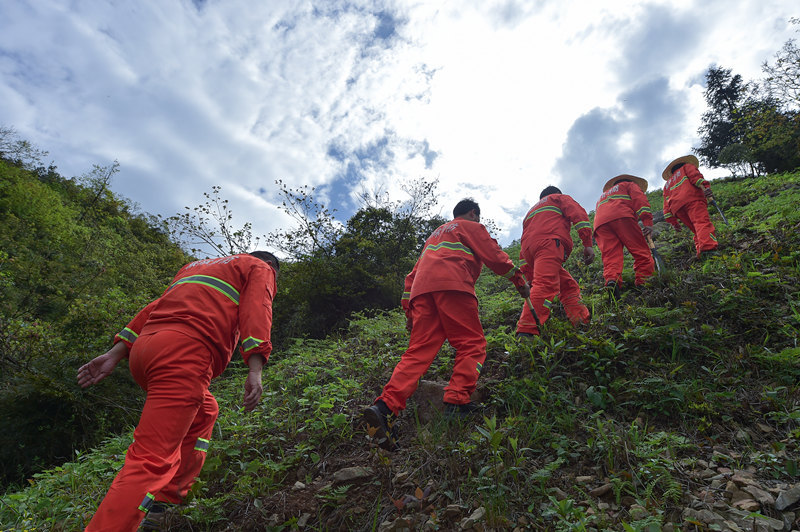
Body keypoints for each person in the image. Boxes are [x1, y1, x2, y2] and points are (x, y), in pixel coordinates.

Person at [77, 251, 279, 532]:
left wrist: (116, 353)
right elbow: (258, 307)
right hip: (183, 354)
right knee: (151, 459)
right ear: (271, 267)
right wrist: (255, 369)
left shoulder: (198, 267)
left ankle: (165, 500)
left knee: (206, 410)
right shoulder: (259, 267)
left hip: (146, 351)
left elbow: (154, 308)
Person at [364, 199, 530, 451]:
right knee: (471, 344)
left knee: (417, 353)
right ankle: (457, 401)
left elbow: (411, 276)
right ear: (473, 213)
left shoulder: (434, 236)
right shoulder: (470, 226)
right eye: (477, 216)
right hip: (453, 285)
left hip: (422, 294)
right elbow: (495, 256)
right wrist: (519, 280)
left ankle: (385, 407)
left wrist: (409, 314)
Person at [516, 186, 594, 339]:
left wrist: (527, 271)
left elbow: (526, 239)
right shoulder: (558, 198)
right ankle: (526, 332)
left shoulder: (530, 212)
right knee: (545, 285)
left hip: (530, 252)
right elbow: (578, 215)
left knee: (568, 286)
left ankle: (581, 322)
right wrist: (587, 244)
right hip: (549, 244)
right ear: (557, 193)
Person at [593, 174, 655, 300]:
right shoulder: (630, 185)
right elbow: (641, 202)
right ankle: (644, 282)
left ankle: (612, 281)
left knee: (611, 256)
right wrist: (647, 222)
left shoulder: (602, 196)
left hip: (600, 224)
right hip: (622, 216)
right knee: (640, 251)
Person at [662, 155, 718, 259]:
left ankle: (700, 252)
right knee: (701, 223)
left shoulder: (667, 185)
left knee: (696, 229)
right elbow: (696, 178)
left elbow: (666, 206)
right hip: (693, 199)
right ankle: (708, 250)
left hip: (677, 209)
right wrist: (706, 188)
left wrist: (673, 222)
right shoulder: (687, 167)